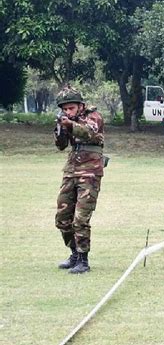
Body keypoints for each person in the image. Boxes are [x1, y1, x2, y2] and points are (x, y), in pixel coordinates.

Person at [54, 85, 105, 274]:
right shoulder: (68, 120)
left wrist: (70, 124)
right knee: (62, 218)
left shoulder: (94, 116)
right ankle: (74, 254)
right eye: (65, 109)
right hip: (71, 172)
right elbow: (61, 146)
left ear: (81, 106)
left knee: (81, 219)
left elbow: (89, 132)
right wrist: (60, 129)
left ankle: (83, 260)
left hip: (90, 173)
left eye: (71, 108)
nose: (68, 111)